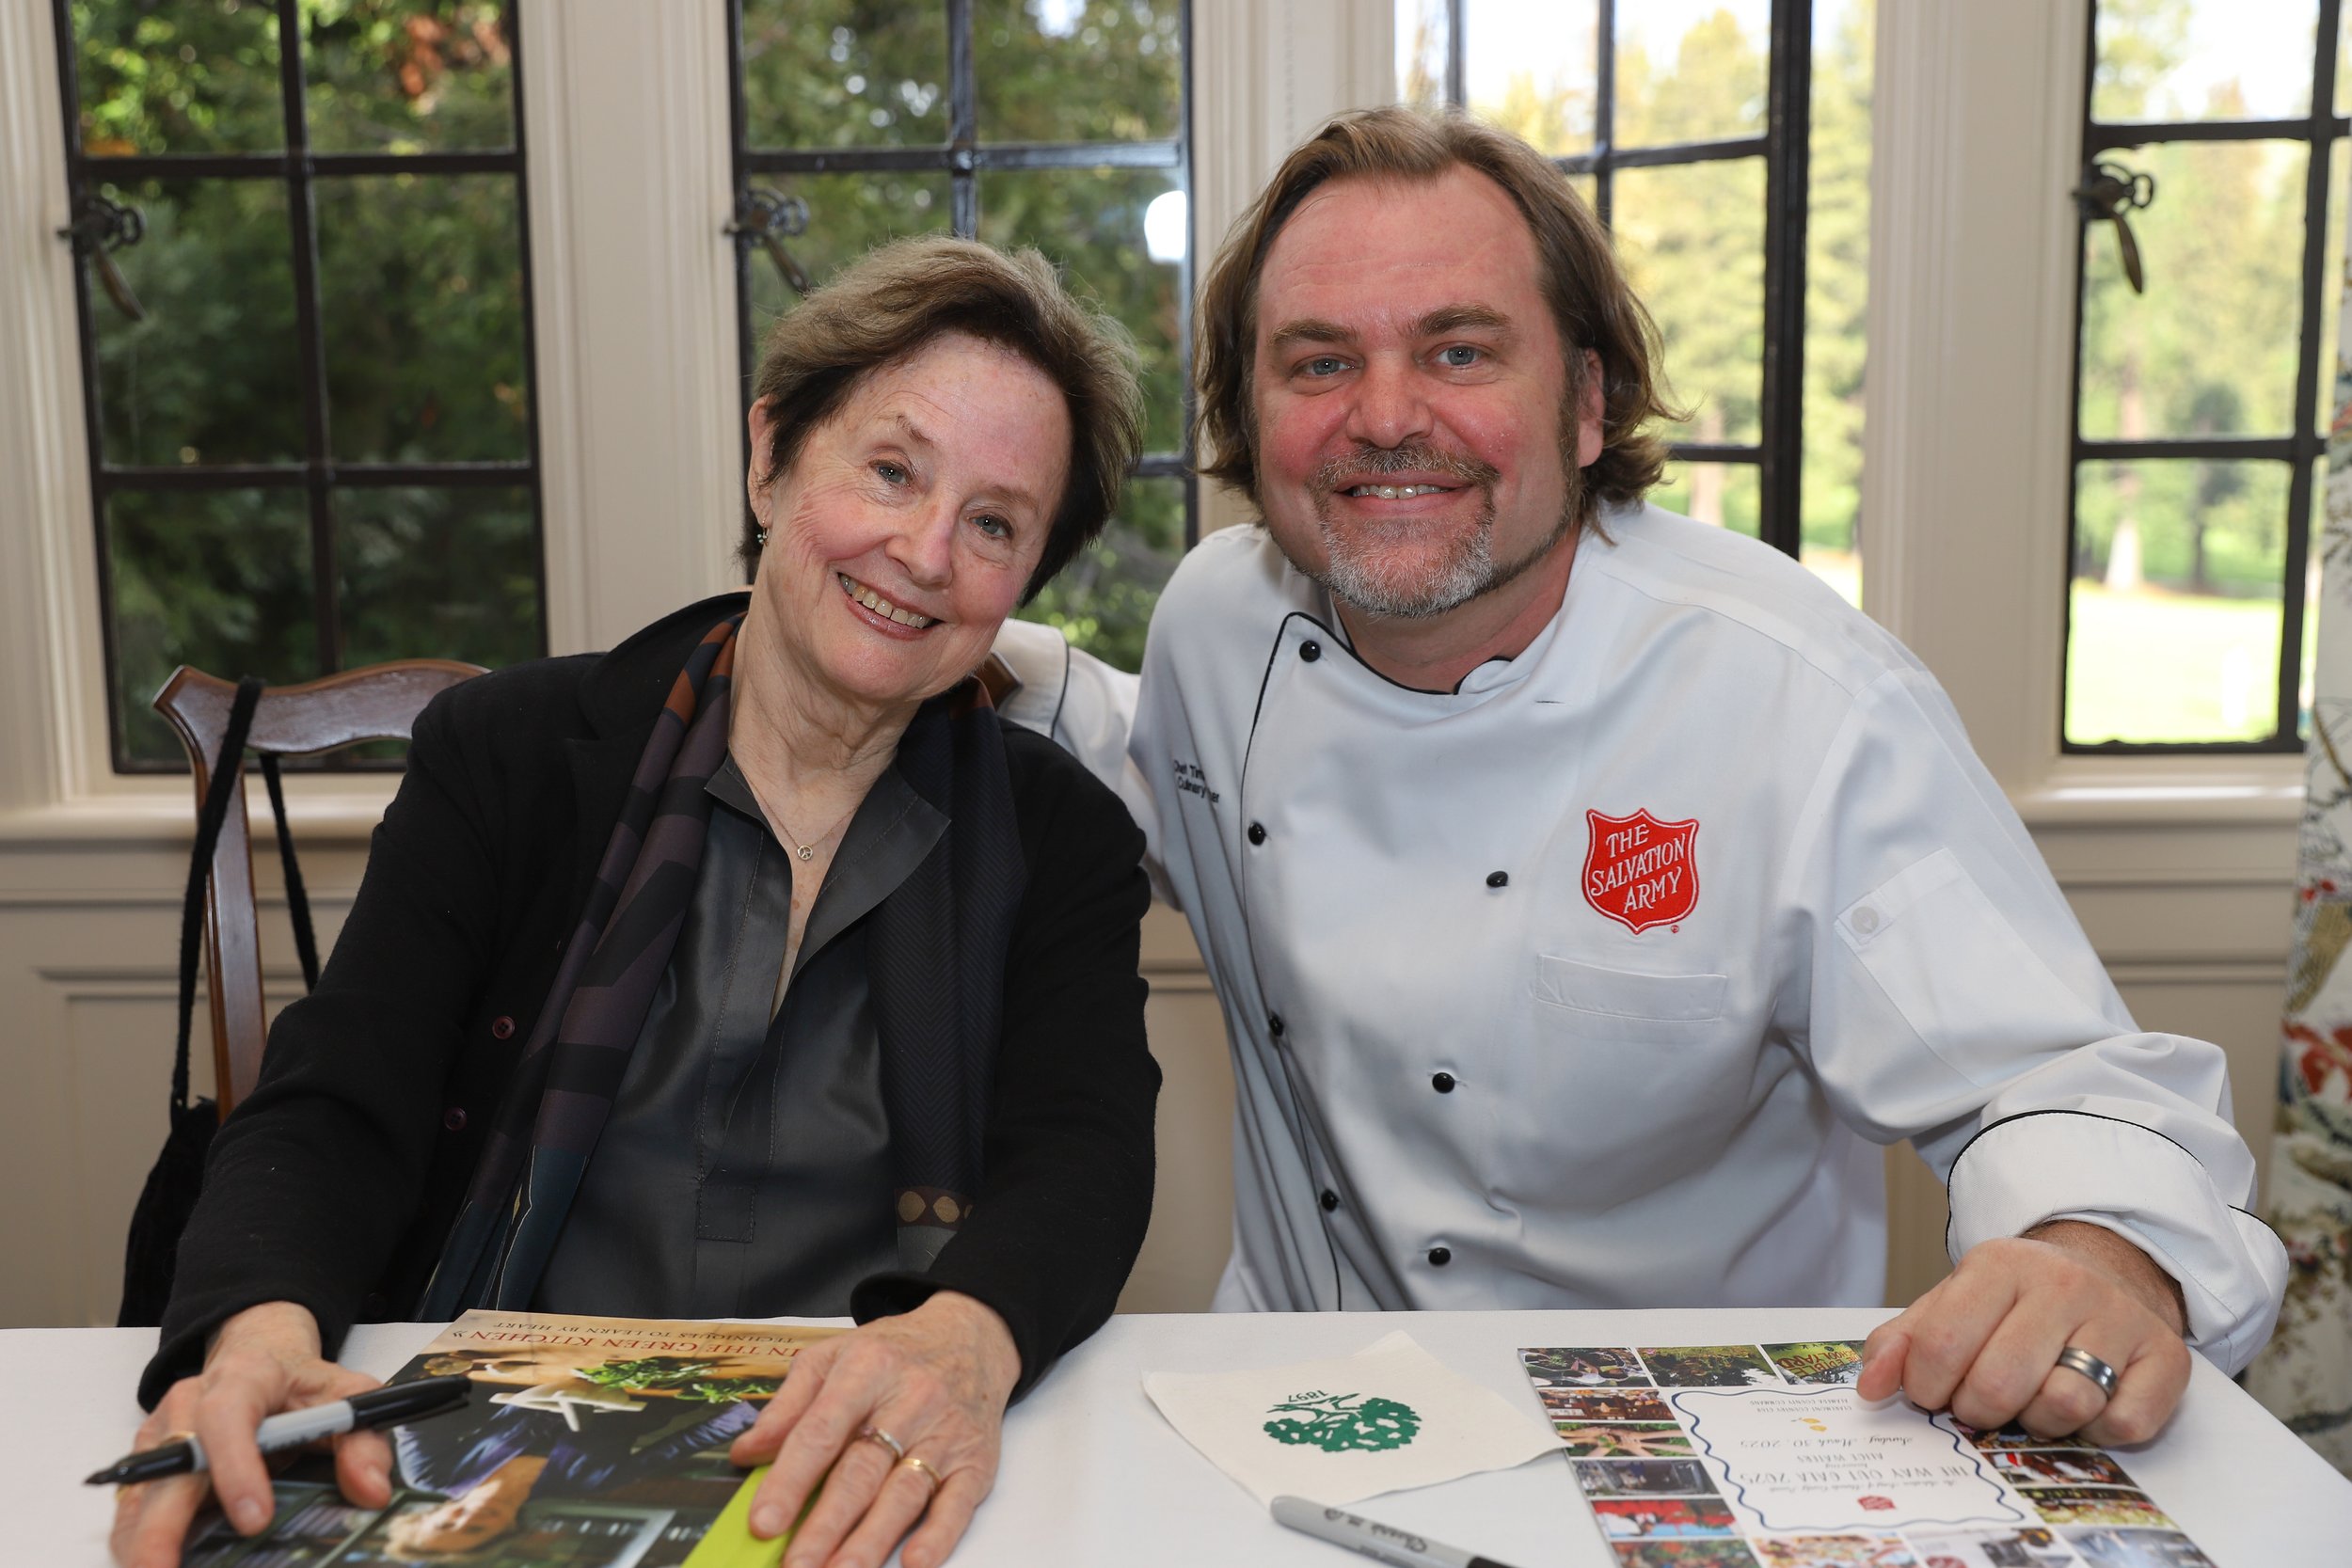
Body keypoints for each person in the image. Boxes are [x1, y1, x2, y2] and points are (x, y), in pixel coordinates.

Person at [1123, 107, 2286, 1448]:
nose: (1385, 417)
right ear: (1246, 413)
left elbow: (2048, 1068)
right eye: (1318, 363)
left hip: (1689, 1437)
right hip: (1295, 1408)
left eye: (1459, 349)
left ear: (1587, 400)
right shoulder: (1215, 631)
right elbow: (1087, 753)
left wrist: (2096, 1255)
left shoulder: (1794, 696)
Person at [114, 235, 1160, 1568]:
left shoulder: (1058, 833)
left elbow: (1086, 1156)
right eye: (891, 470)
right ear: (772, 455)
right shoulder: (508, 755)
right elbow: (338, 1095)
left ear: (1025, 582)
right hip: (501, 1458)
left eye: (996, 523)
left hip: (857, 1471)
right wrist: (259, 1333)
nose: (925, 551)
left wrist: (968, 1336)